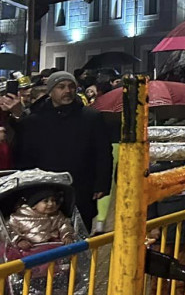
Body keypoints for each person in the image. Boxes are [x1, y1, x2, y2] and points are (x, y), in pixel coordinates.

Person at [12, 72, 112, 229]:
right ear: (51, 91)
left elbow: (103, 153)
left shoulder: (91, 117)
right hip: (45, 191)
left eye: (71, 86)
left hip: (81, 186)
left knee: (79, 235)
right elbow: (25, 155)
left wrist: (101, 184)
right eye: (61, 87)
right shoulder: (34, 121)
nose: (67, 91)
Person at [7, 186, 77, 251]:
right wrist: (19, 240)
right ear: (34, 205)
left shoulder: (57, 215)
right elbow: (7, 231)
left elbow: (65, 225)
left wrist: (67, 236)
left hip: (55, 248)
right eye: (46, 201)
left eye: (53, 200)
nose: (51, 204)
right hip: (30, 250)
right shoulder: (19, 217)